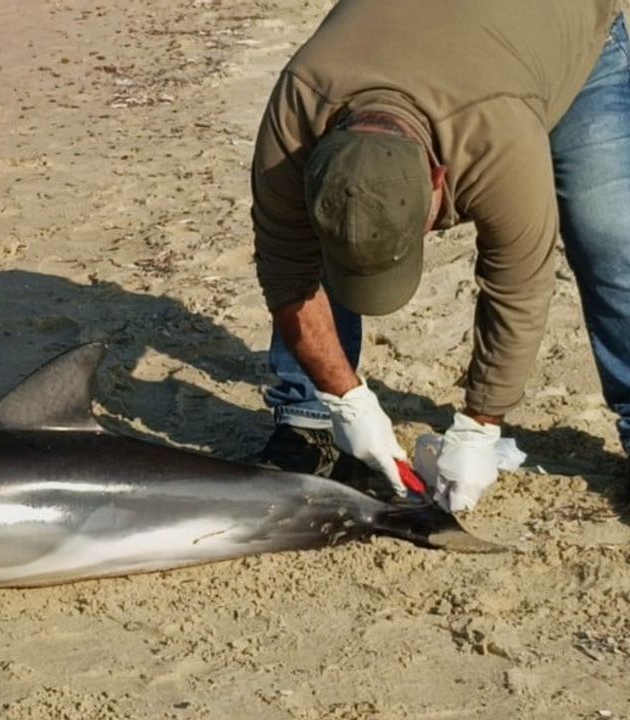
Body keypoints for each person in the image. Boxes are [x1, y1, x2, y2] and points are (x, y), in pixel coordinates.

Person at [249, 0, 630, 511]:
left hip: (563, 34)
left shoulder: (497, 140)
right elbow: (287, 272)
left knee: (611, 237)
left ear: (439, 179)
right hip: (419, 46)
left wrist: (480, 425)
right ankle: (308, 416)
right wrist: (343, 398)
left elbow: (519, 285)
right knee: (333, 231)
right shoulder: (298, 113)